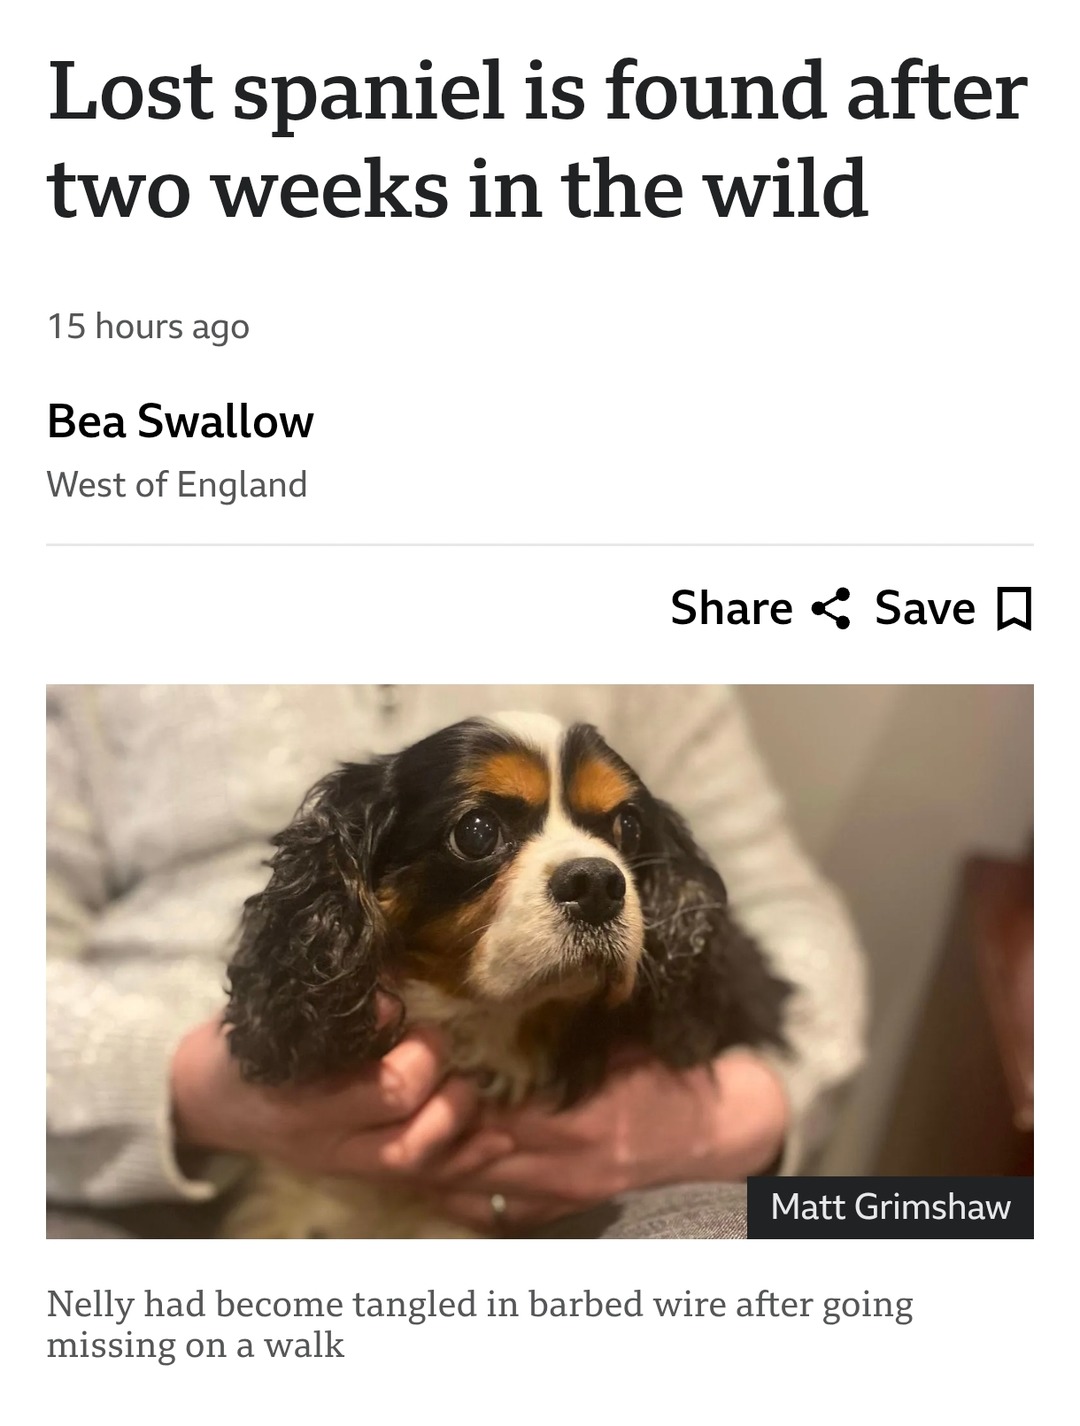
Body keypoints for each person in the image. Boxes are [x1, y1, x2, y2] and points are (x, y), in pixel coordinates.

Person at [46, 685, 867, 1238]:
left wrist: (747, 1108)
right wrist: (184, 1092)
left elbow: (786, 911)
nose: (593, 871)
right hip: (141, 1164)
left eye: (613, 833)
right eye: (481, 832)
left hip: (608, 1138)